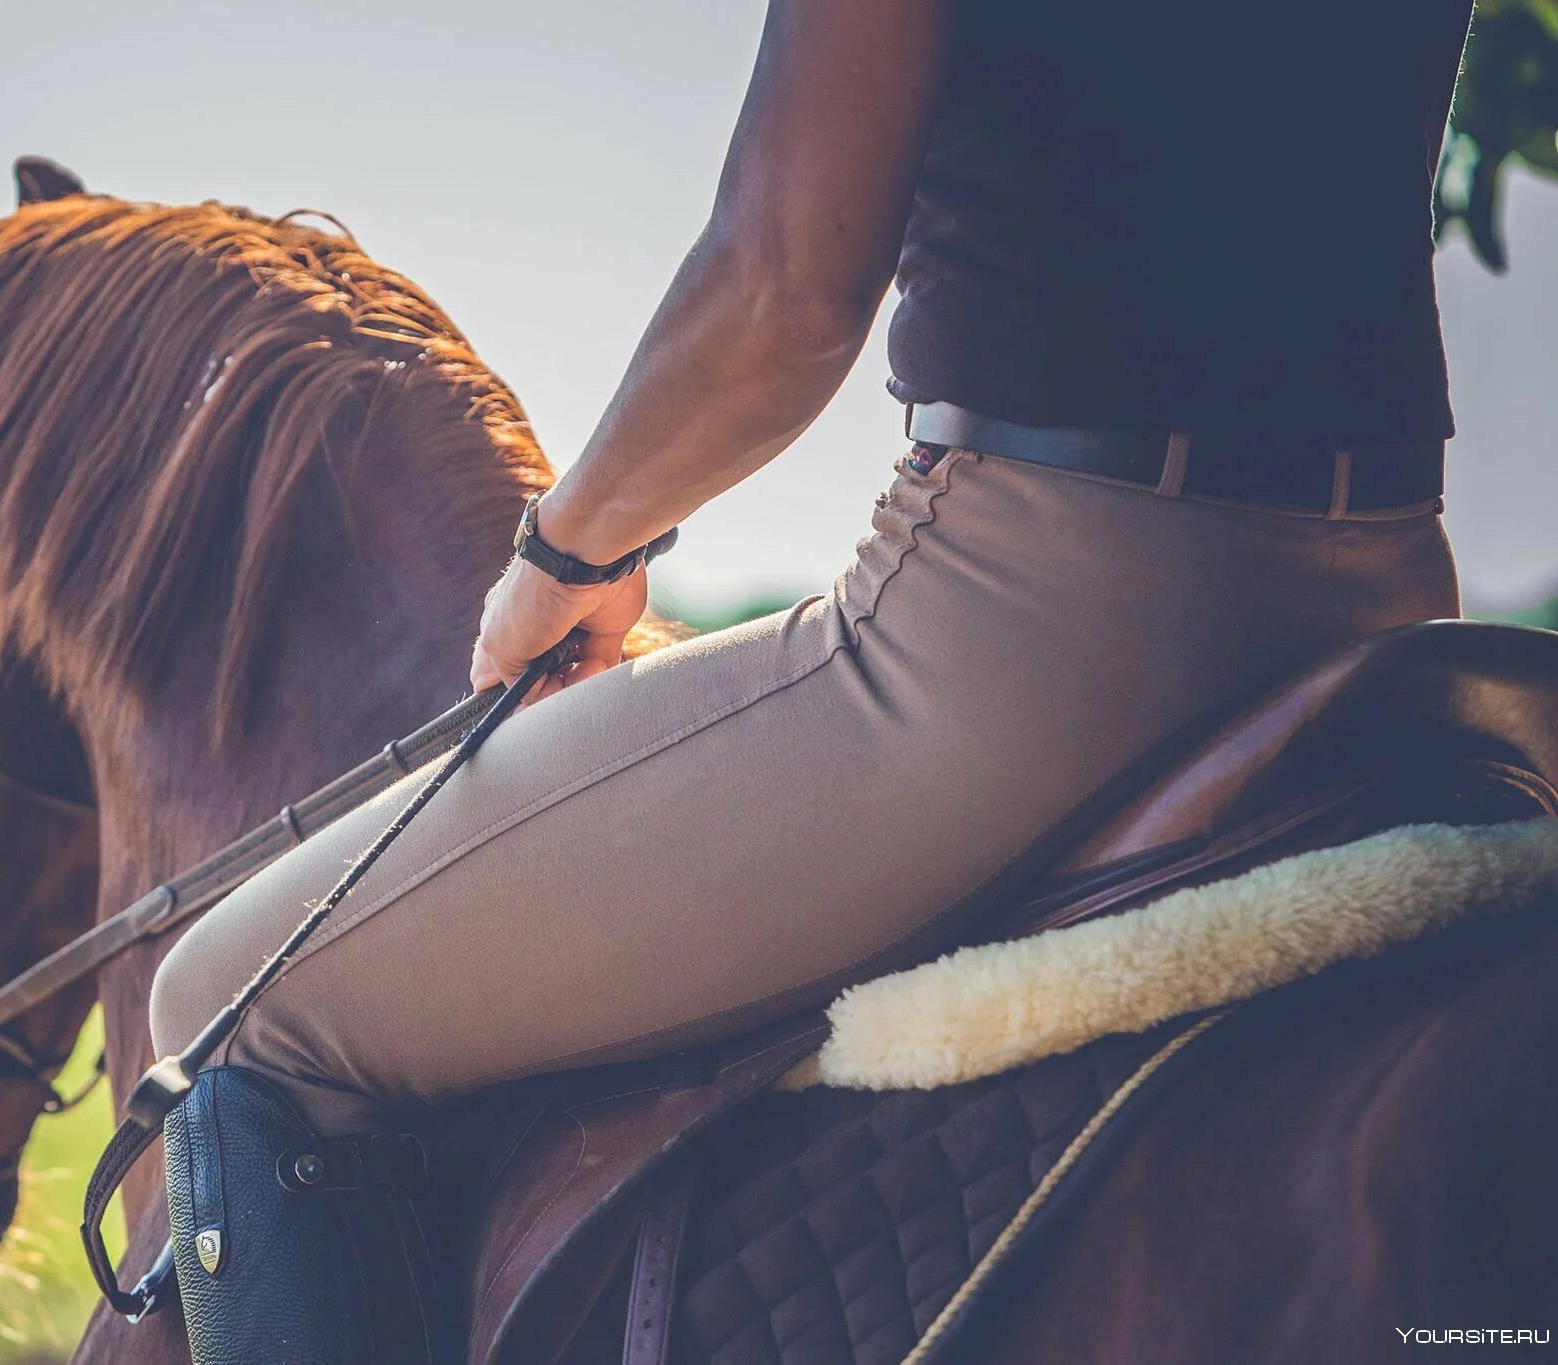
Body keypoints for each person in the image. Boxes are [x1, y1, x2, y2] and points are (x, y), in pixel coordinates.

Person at [148, 0, 1473, 1357]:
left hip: (1050, 635)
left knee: (237, 1002)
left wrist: (570, 549)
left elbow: (782, 291)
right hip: (1395, 616)